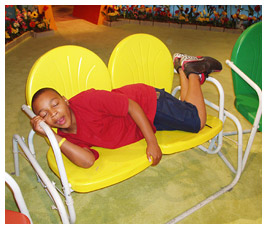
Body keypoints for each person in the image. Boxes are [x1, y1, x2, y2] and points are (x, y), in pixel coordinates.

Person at [30, 53, 222, 169]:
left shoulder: (87, 100)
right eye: (45, 114)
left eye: (55, 104)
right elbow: (87, 161)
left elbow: (132, 106)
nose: (53, 114)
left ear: (65, 100)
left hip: (147, 104)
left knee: (196, 122)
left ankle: (194, 72)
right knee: (187, 113)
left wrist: (152, 143)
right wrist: (51, 137)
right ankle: (183, 68)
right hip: (142, 123)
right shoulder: (65, 137)